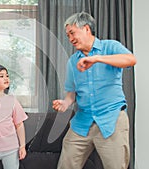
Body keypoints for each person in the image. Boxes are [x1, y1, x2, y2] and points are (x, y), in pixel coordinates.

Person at [52, 12, 137, 169]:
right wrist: (65, 103)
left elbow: (131, 60)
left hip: (111, 119)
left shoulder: (110, 47)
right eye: (67, 35)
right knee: (66, 164)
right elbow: (72, 93)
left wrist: (96, 58)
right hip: (82, 122)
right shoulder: (73, 62)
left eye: (72, 33)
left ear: (86, 29)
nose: (70, 39)